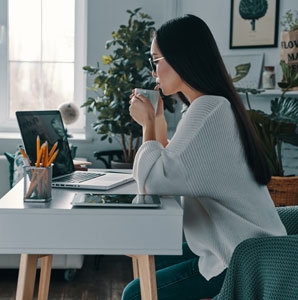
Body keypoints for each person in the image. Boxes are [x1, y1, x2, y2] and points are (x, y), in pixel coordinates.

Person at [123, 14, 287, 300]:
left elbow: (153, 181)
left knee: (134, 294)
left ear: (181, 59)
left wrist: (148, 125)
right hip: (238, 249)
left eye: (155, 61)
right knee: (147, 258)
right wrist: (158, 120)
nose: (153, 72)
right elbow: (169, 167)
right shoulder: (209, 107)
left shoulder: (208, 110)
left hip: (239, 259)